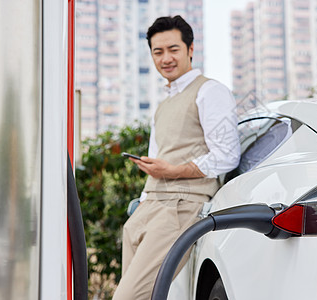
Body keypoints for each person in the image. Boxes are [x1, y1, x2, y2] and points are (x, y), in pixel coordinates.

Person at [112, 15, 240, 300]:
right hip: (149, 207)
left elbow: (227, 155)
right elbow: (163, 161)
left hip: (180, 206)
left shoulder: (210, 91)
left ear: (190, 49)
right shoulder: (164, 103)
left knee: (129, 297)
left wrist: (173, 171)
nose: (165, 58)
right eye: (158, 52)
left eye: (173, 49)